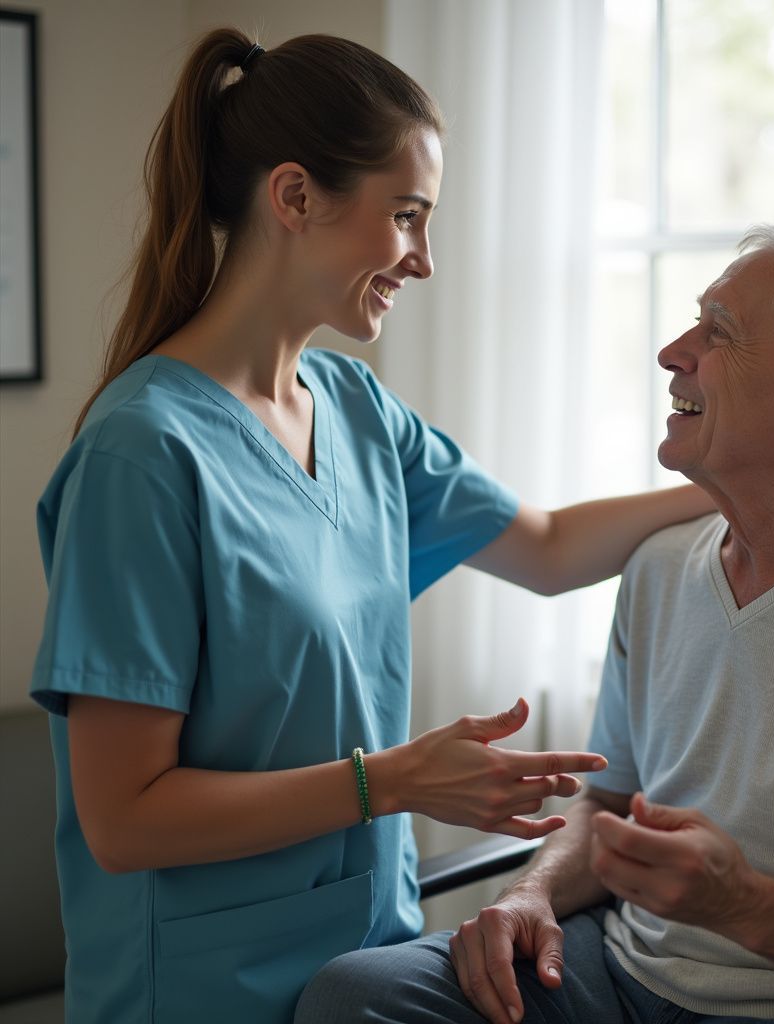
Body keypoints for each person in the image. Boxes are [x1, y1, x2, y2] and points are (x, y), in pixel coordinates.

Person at [28, 29, 723, 1024]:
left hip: (364, 969)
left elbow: (549, 545)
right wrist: (390, 781)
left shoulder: (355, 409)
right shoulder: (142, 455)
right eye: (406, 216)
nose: (425, 259)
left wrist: (764, 479)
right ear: (296, 196)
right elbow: (124, 819)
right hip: (196, 989)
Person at [297, 220, 774, 1024]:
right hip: (614, 968)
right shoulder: (660, 566)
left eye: (720, 332)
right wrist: (531, 894)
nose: (673, 350)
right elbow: (607, 809)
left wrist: (747, 907)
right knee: (354, 999)